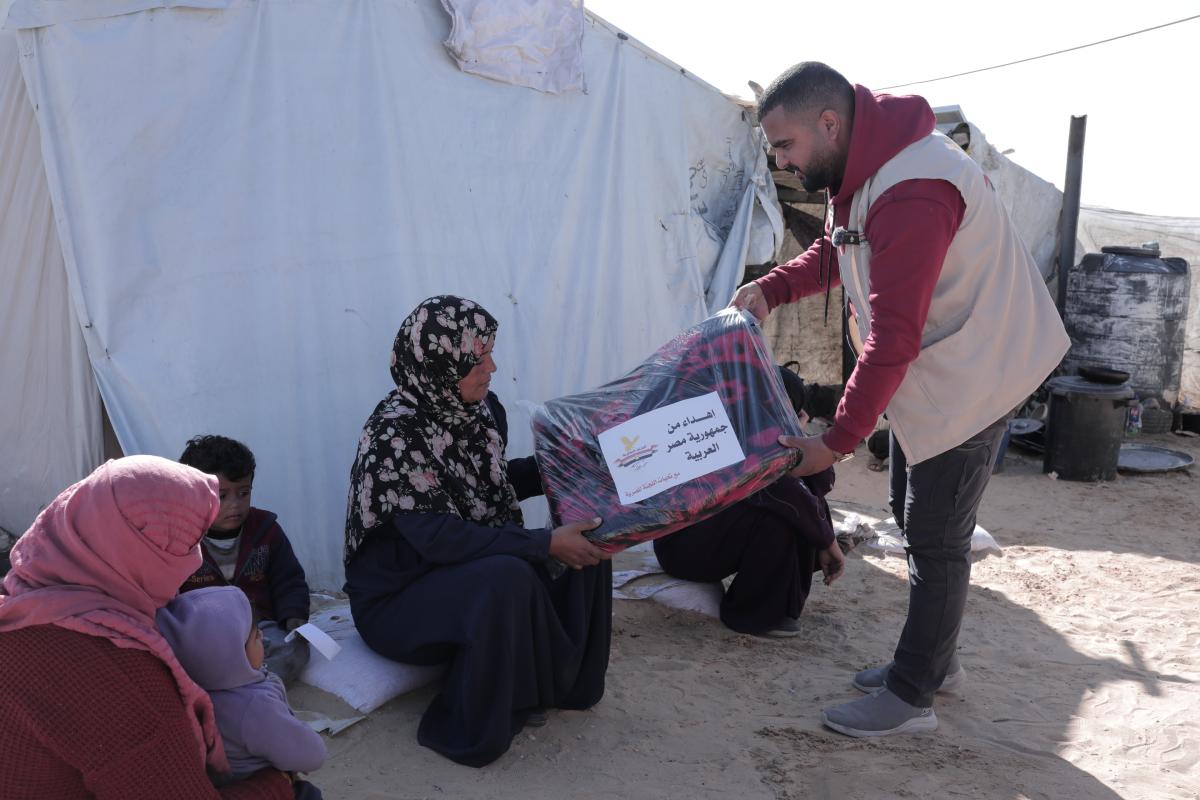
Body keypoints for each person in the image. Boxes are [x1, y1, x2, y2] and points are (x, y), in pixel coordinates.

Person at [732, 62, 1069, 737]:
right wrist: (773, 287)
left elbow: (892, 338)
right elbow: (841, 250)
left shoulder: (915, 188)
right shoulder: (863, 168)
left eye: (786, 146)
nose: (783, 162)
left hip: (980, 370)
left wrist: (834, 443)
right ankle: (934, 666)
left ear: (830, 124)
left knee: (935, 535)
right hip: (944, 368)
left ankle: (913, 697)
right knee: (909, 510)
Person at [343, 294, 614, 767]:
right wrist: (543, 543)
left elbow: (490, 484)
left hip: (458, 571)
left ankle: (564, 683)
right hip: (399, 600)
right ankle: (476, 723)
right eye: (477, 359)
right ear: (440, 365)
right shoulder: (393, 438)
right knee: (507, 575)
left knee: (588, 529)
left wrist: (561, 466)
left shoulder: (479, 411)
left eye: (489, 352)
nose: (492, 367)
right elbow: (439, 537)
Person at [0, 455, 293, 799]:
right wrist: (280, 784)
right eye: (186, 546)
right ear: (139, 552)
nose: (194, 562)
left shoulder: (19, 604)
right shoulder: (117, 674)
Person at [653, 366, 845, 637]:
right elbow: (779, 487)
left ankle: (779, 603)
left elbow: (821, 482)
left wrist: (796, 436)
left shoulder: (768, 438)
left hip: (711, 537)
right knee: (784, 510)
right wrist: (827, 541)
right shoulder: (721, 429)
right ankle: (753, 613)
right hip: (680, 547)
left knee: (805, 502)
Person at [159, 586, 326, 798]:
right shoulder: (254, 706)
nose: (263, 638)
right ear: (234, 655)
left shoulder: (191, 693)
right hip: (262, 786)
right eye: (255, 636)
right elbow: (311, 755)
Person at [179, 434, 311, 680]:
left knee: (295, 651)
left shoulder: (266, 529)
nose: (235, 505)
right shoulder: (179, 538)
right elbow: (165, 597)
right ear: (192, 493)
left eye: (243, 493)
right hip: (204, 633)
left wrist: (294, 616)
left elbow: (288, 580)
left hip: (258, 628)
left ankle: (242, 679)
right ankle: (240, 677)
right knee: (184, 660)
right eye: (222, 496)